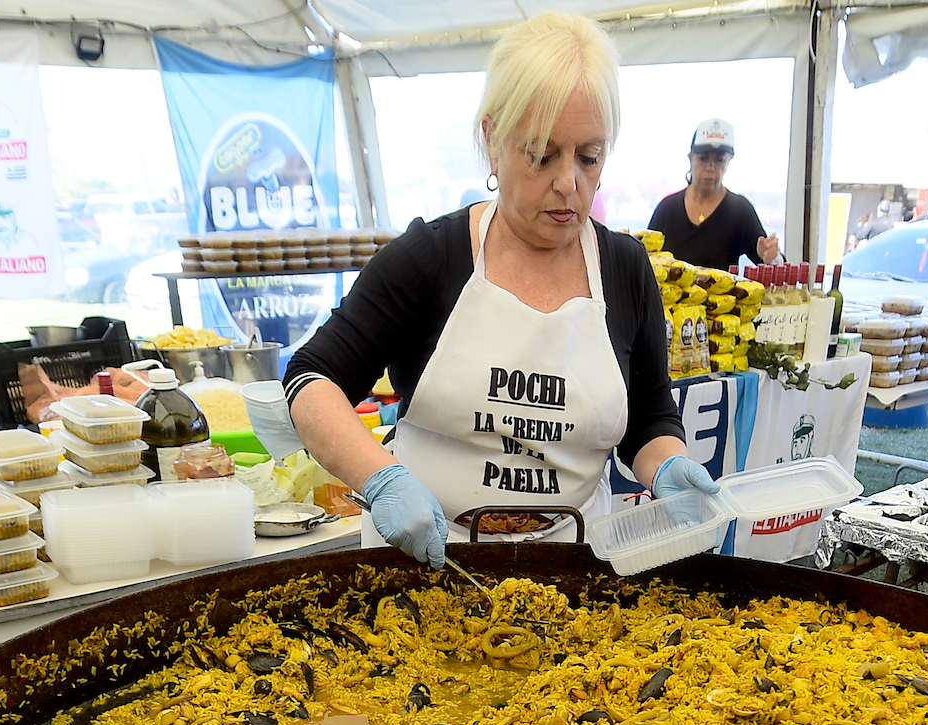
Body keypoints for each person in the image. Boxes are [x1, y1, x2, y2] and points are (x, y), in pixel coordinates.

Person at [281, 13, 710, 568]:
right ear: (492, 140)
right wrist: (381, 478)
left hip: (575, 565)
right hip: (427, 561)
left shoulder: (625, 269)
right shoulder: (431, 258)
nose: (568, 183)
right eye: (541, 155)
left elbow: (649, 417)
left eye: (588, 157)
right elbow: (312, 378)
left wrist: (667, 463)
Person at [646, 119, 780, 269]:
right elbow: (643, 262)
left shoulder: (740, 211)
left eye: (719, 160)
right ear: (690, 159)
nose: (710, 167)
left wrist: (772, 257)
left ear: (728, 162)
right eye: (703, 158)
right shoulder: (667, 209)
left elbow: (773, 263)